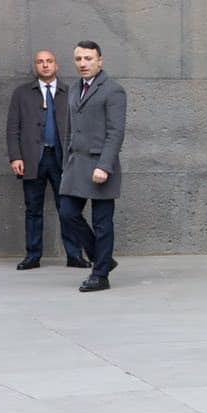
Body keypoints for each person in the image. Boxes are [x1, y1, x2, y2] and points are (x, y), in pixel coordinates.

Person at [6, 50, 87, 271]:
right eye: (40, 62)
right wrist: (15, 157)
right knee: (33, 209)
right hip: (33, 159)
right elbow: (13, 128)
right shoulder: (22, 94)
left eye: (49, 61)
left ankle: (74, 255)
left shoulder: (69, 93)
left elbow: (79, 129)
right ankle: (32, 256)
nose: (45, 65)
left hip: (62, 160)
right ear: (35, 66)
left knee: (68, 209)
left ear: (57, 65)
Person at [58, 41, 125, 292]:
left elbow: (116, 132)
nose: (83, 63)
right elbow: (69, 130)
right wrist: (66, 163)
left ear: (100, 61)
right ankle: (103, 257)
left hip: (100, 165)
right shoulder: (74, 89)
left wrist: (105, 166)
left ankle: (100, 276)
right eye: (78, 59)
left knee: (102, 221)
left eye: (88, 58)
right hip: (76, 164)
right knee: (67, 213)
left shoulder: (113, 91)